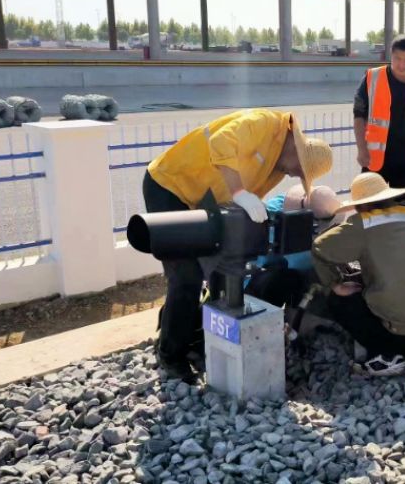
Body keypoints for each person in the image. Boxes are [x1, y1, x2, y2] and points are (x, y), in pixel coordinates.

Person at [143, 108, 333, 382]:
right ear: (295, 148)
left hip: (203, 201)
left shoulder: (276, 166)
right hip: (169, 185)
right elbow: (220, 142)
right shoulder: (264, 124)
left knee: (222, 271)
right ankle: (170, 354)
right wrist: (239, 193)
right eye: (298, 169)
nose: (294, 175)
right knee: (186, 276)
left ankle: (194, 332)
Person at [311, 172, 405, 376]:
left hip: (399, 334)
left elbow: (320, 247)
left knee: (340, 299)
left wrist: (335, 283)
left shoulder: (363, 222)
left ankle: (386, 355)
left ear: (360, 205)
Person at [353, 34, 405, 202]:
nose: (401, 64)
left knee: (401, 213)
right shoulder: (372, 78)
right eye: (397, 58)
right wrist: (361, 149)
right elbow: (358, 115)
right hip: (374, 161)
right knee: (370, 212)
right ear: (390, 54)